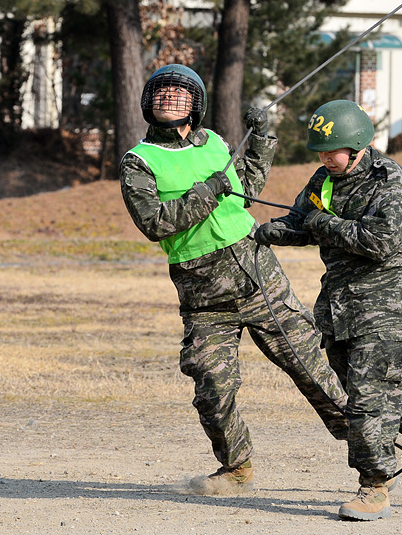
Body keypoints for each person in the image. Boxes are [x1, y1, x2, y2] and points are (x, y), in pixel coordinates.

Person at [119, 64, 349, 493]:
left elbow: (248, 184)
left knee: (316, 376)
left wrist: (262, 138)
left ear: (197, 106)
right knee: (211, 388)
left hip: (260, 282)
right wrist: (210, 188)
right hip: (204, 299)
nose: (169, 100)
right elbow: (156, 222)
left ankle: (381, 452)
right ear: (147, 103)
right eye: (162, 94)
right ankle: (236, 468)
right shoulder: (138, 162)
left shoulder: (216, 144)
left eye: (180, 95)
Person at [254, 100, 402, 521]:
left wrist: (323, 224)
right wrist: (269, 233)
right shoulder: (324, 180)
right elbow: (301, 221)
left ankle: (374, 485)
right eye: (321, 150)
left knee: (366, 402)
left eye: (335, 149)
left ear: (359, 144)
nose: (327, 157)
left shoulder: (394, 185)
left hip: (388, 307)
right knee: (378, 396)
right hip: (340, 308)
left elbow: (378, 241)